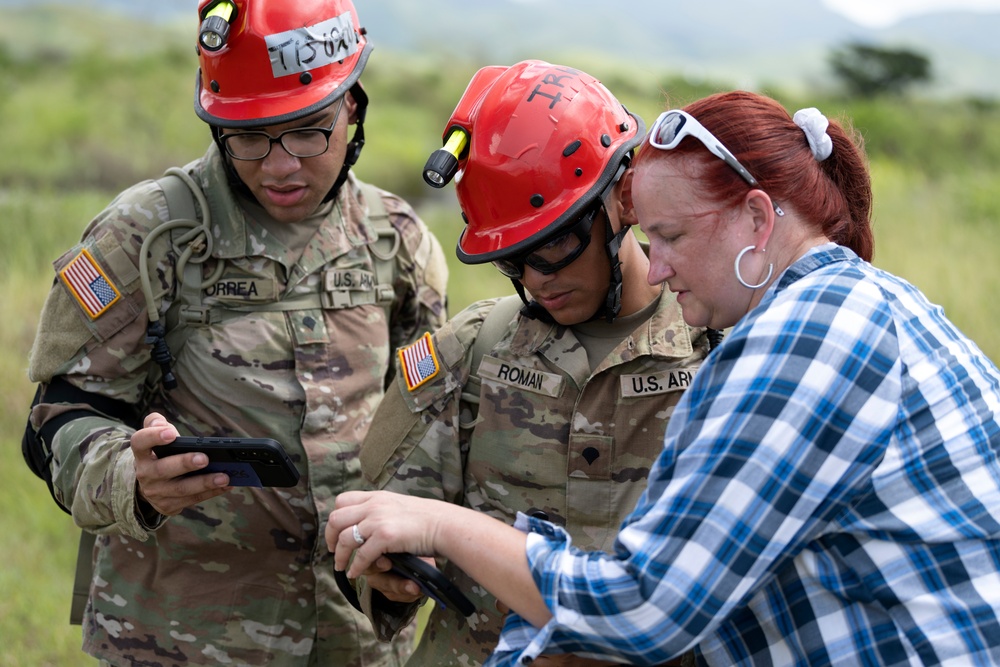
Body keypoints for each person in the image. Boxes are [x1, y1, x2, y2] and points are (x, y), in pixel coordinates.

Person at [327, 89, 1000, 666]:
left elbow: (645, 605)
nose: (662, 263)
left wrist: (445, 527)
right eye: (514, 261)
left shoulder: (796, 340)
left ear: (758, 218)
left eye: (672, 236)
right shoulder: (861, 305)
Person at [22, 0, 447, 665]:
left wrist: (417, 531)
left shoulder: (400, 243)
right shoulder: (146, 236)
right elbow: (58, 420)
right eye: (250, 135)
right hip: (182, 640)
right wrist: (130, 477)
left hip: (353, 640)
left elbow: (428, 425)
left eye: (309, 130)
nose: (280, 165)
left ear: (354, 108)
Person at [344, 60, 711, 666]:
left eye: (558, 244)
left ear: (623, 198)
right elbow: (381, 523)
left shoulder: (721, 351)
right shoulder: (472, 350)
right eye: (514, 260)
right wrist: (383, 572)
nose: (539, 279)